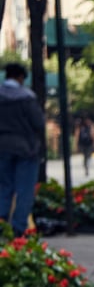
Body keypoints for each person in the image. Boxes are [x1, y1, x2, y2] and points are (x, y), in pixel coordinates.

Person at [0, 62, 45, 235]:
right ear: (20, 78)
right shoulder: (26, 97)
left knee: (4, 186)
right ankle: (18, 229)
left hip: (2, 147)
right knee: (25, 190)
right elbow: (38, 122)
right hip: (26, 149)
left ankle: (1, 224)